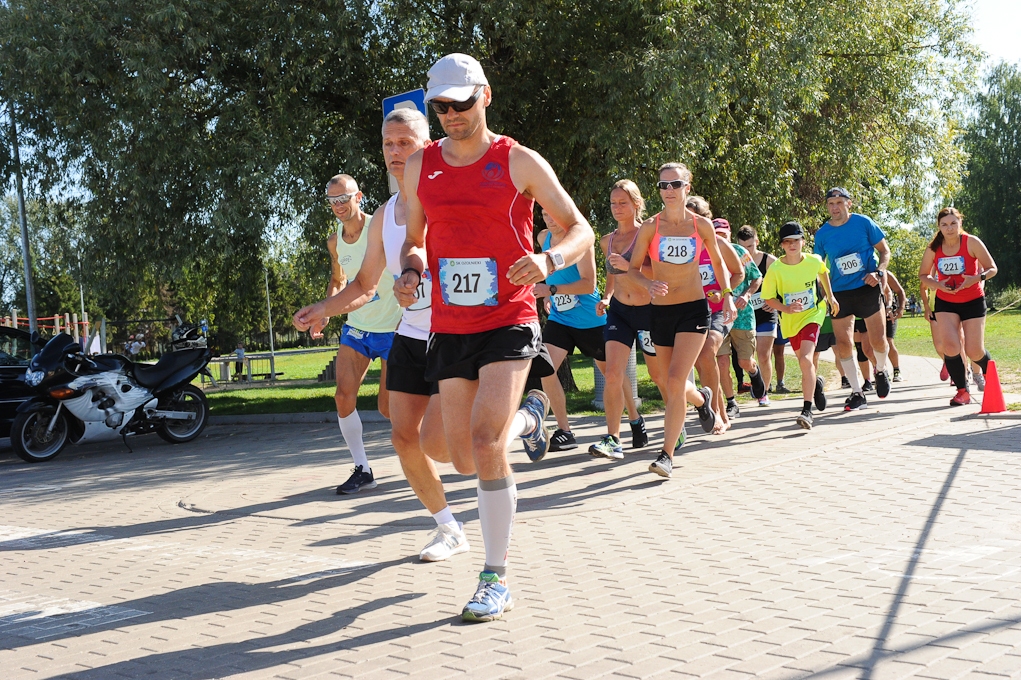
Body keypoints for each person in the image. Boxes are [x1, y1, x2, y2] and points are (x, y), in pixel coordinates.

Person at [395, 53, 595, 622]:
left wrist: (547, 258)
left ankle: (495, 578)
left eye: (461, 103)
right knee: (451, 453)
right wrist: (411, 271)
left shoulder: (518, 161)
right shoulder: (420, 167)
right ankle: (532, 417)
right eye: (441, 106)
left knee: (486, 443)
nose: (451, 114)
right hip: (450, 325)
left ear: (485, 95)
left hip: (509, 314)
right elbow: (415, 240)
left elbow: (578, 227)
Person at [293, 108, 470, 561]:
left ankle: (524, 422)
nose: (395, 152)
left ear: (427, 144)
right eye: (389, 144)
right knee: (403, 435)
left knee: (458, 450)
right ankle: (448, 528)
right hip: (410, 332)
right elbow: (363, 284)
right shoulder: (386, 216)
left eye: (405, 142)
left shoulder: (451, 198)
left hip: (454, 332)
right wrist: (322, 309)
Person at [624, 163, 728, 477]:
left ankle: (666, 455)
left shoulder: (701, 226)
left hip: (694, 310)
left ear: (687, 187)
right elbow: (632, 269)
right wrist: (648, 284)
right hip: (661, 311)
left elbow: (720, 263)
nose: (668, 190)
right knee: (671, 385)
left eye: (675, 184)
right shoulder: (651, 227)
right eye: (663, 185)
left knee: (673, 380)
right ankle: (701, 399)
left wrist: (728, 298)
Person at [310, 173, 402, 493]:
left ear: (358, 197)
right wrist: (327, 312)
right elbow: (339, 280)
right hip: (358, 328)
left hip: (394, 328)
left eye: (343, 199)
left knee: (388, 408)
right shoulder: (335, 240)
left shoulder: (381, 230)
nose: (337, 206)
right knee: (342, 395)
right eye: (332, 201)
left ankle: (429, 441)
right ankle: (362, 468)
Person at [532, 208, 615, 453]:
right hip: (561, 319)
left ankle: (634, 419)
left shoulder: (581, 241)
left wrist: (552, 290)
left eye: (553, 213)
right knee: (545, 367)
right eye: (545, 213)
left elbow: (588, 283)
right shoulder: (543, 237)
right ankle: (565, 431)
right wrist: (549, 292)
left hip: (590, 319)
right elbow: (549, 270)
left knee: (613, 375)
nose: (549, 218)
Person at [590, 179, 661, 459]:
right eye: (613, 203)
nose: (617, 208)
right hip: (620, 311)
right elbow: (611, 272)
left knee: (659, 376)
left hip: (648, 311)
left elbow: (656, 272)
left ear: (636, 204)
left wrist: (630, 265)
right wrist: (607, 297)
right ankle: (613, 438)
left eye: (623, 203)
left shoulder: (647, 235)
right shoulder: (607, 240)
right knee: (613, 374)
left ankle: (699, 402)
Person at [813, 187, 893, 411]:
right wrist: (823, 290)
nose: (835, 207)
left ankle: (880, 370)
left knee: (878, 341)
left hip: (867, 286)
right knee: (844, 343)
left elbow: (885, 251)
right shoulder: (822, 234)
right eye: (830, 203)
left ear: (849, 203)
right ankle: (857, 392)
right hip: (840, 292)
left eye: (839, 202)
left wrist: (879, 272)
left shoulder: (864, 223)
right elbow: (818, 265)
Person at [761, 222, 838, 429]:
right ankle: (816, 385)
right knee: (806, 363)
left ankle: (806, 410)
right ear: (782, 245)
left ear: (803, 242)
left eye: (796, 240)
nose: (792, 245)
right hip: (790, 321)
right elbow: (768, 298)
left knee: (805, 358)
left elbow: (823, 273)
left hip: (813, 314)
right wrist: (785, 309)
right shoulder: (776, 268)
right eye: (787, 242)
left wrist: (830, 297)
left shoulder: (814, 260)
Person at [918, 207, 998, 406]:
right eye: (944, 225)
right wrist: (938, 284)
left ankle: (990, 373)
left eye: (953, 223)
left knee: (974, 350)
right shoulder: (933, 247)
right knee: (950, 346)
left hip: (973, 300)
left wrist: (975, 279)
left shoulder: (971, 242)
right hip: (946, 302)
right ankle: (962, 391)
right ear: (939, 227)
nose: (950, 228)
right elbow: (923, 275)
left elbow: (992, 268)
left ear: (960, 223)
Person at [686, 197, 744, 433]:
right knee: (702, 361)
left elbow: (739, 273)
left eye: (692, 217)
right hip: (692, 309)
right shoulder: (680, 245)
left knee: (708, 349)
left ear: (703, 219)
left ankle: (719, 414)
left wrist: (724, 292)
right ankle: (714, 408)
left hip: (720, 310)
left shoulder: (718, 244)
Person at [713, 219, 765, 419]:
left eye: (723, 234)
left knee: (744, 361)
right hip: (718, 317)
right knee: (722, 362)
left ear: (729, 234)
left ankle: (753, 372)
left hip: (742, 316)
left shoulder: (740, 253)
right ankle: (731, 402)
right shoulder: (704, 254)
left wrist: (747, 295)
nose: (720, 238)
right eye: (716, 234)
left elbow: (756, 277)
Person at [736, 225, 777, 406]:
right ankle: (757, 380)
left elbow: (785, 280)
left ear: (757, 242)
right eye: (743, 247)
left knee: (763, 354)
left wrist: (776, 299)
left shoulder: (769, 261)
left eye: (751, 247)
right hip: (745, 315)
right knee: (746, 357)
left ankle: (764, 393)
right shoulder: (735, 258)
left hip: (766, 313)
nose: (747, 252)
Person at [883, 271, 907, 382]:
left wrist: (901, 309)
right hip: (872, 313)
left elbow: (900, 291)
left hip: (889, 313)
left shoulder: (886, 274)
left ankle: (896, 370)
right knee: (874, 343)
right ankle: (882, 372)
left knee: (889, 340)